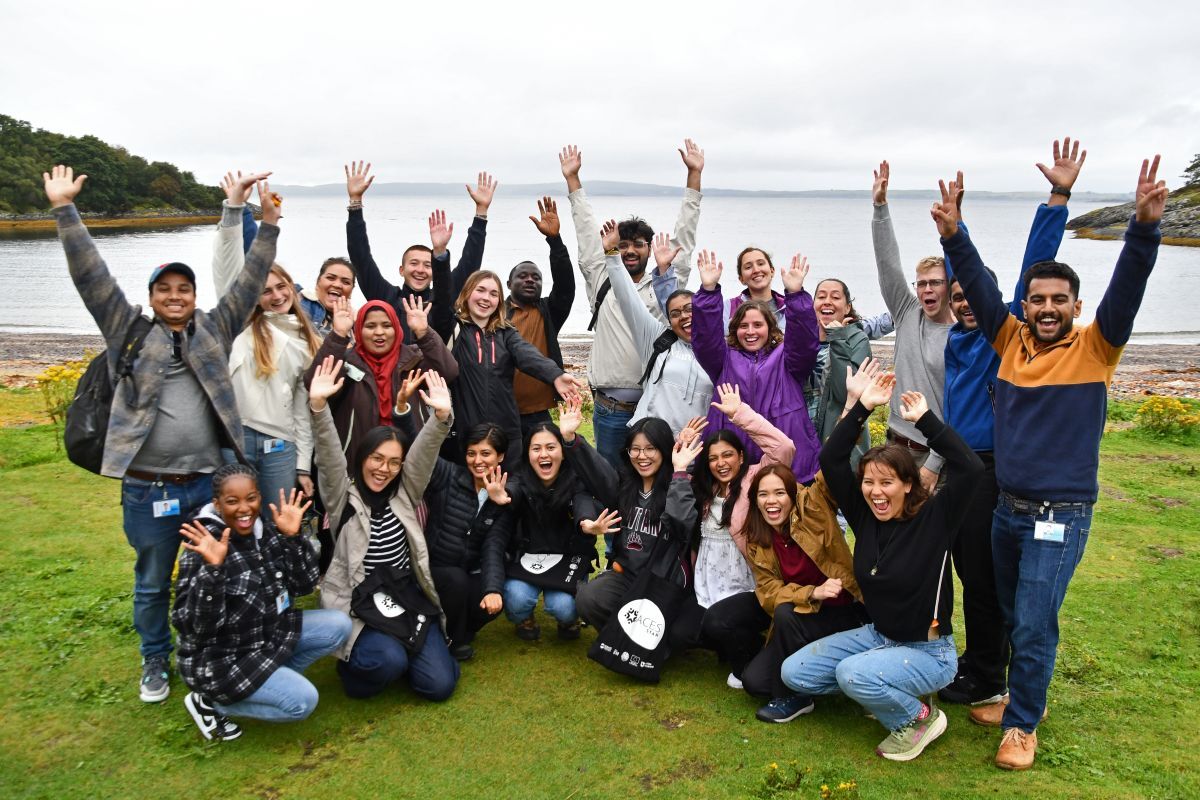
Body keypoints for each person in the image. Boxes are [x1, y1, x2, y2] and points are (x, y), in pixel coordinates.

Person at [931, 154, 1167, 770]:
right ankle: (1010, 693)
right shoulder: (1008, 342)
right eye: (1037, 298)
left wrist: (1144, 229)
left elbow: (1129, 289)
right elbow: (980, 288)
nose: (1046, 307)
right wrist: (953, 234)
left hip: (1059, 513)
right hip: (1007, 507)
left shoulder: (1097, 348)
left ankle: (1022, 726)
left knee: (1034, 621)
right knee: (1010, 612)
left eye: (1058, 299)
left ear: (1075, 305)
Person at [44, 165, 283, 702]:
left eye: (184, 288)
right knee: (153, 580)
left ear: (195, 295)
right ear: (151, 296)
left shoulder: (213, 329)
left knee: (216, 569)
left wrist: (265, 226)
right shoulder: (129, 332)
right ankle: (155, 660)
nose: (175, 296)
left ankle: (209, 645)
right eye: (164, 289)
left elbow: (248, 284)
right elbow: (92, 277)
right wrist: (65, 211)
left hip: (207, 486)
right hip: (149, 487)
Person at [936, 139, 1080, 710]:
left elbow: (1028, 272)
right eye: (957, 298)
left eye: (974, 297)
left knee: (986, 579)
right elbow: (959, 276)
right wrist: (952, 228)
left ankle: (989, 673)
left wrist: (1057, 197)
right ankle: (981, 665)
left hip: (992, 470)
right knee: (969, 572)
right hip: (959, 467)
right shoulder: (956, 338)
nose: (965, 303)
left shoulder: (1005, 339)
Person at [780, 367, 984, 762]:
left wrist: (925, 420)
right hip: (878, 637)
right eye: (868, 483)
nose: (876, 492)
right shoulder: (865, 516)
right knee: (795, 673)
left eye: (887, 482)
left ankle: (920, 717)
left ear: (908, 485)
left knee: (849, 674)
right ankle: (884, 684)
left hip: (929, 651)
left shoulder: (935, 519)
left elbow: (972, 468)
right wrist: (861, 408)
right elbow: (831, 457)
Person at [310, 358, 461, 701]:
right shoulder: (342, 497)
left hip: (403, 595)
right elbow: (329, 454)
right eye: (377, 458)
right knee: (386, 662)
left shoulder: (405, 492)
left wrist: (440, 418)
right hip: (358, 601)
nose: (384, 469)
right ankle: (357, 667)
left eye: (394, 462)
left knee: (439, 686)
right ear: (362, 458)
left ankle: (406, 651)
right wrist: (319, 407)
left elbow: (422, 456)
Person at [172, 467, 352, 741]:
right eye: (232, 501)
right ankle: (211, 703)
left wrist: (292, 538)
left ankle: (270, 680)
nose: (244, 509)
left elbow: (304, 586)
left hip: (268, 637)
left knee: (338, 625)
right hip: (224, 661)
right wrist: (213, 572)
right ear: (217, 504)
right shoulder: (203, 547)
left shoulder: (265, 532)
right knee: (301, 702)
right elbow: (196, 630)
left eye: (251, 498)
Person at [560, 141, 703, 470]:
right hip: (610, 410)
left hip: (658, 409)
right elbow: (585, 233)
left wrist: (693, 176)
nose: (630, 251)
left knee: (659, 484)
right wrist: (573, 181)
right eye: (622, 245)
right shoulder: (601, 278)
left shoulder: (667, 286)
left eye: (639, 244)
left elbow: (686, 234)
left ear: (650, 249)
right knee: (610, 484)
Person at [211, 171, 322, 505]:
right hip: (236, 440)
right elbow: (227, 265)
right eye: (265, 290)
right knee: (235, 523)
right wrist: (234, 209)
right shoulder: (241, 323)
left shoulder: (307, 338)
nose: (275, 296)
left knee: (280, 524)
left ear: (292, 287)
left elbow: (303, 411)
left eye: (281, 287)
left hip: (281, 447)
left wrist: (303, 466)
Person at [560, 398, 704, 651]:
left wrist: (680, 471)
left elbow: (683, 524)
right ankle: (624, 640)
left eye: (650, 449)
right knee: (588, 598)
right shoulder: (625, 484)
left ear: (664, 450)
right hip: (627, 576)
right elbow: (596, 473)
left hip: (664, 583)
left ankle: (652, 645)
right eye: (635, 449)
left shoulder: (679, 484)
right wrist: (572, 440)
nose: (642, 456)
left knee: (679, 635)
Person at [731, 462, 866, 723]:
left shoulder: (812, 508)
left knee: (786, 612)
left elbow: (832, 463)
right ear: (755, 500)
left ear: (793, 495)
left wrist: (849, 423)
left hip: (845, 614)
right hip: (807, 616)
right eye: (763, 494)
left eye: (780, 493)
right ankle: (821, 677)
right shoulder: (758, 541)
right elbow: (769, 593)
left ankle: (796, 697)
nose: (772, 501)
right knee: (755, 682)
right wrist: (812, 593)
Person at [691, 249, 822, 483]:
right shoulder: (723, 359)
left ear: (771, 329)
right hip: (733, 455)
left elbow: (805, 340)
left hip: (785, 459)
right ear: (734, 330)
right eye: (743, 326)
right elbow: (704, 338)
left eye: (757, 325)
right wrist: (708, 291)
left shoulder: (788, 359)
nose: (750, 332)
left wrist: (795, 294)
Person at [871, 160, 956, 492]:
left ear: (951, 287)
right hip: (895, 444)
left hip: (934, 456)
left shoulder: (962, 336)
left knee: (930, 540)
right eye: (921, 284)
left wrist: (934, 464)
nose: (926, 290)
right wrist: (880, 208)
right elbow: (887, 263)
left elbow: (957, 407)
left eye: (935, 283)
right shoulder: (908, 312)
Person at [344, 161, 497, 341]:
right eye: (414, 263)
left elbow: (470, 263)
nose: (420, 270)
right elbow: (361, 257)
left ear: (434, 272)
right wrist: (355, 203)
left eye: (427, 265)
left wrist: (481, 213)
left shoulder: (444, 297)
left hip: (435, 369)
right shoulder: (386, 297)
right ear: (401, 270)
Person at [486, 422, 612, 641]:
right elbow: (514, 489)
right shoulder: (521, 476)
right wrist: (504, 496)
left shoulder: (576, 479)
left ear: (563, 452)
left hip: (567, 558)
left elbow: (582, 502)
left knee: (563, 606)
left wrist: (587, 523)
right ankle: (524, 619)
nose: (544, 454)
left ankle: (568, 621)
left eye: (551, 447)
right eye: (536, 449)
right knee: (516, 599)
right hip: (527, 557)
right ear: (527, 453)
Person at [303, 295, 458, 461]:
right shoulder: (347, 362)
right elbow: (314, 384)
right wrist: (339, 334)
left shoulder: (413, 359)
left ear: (397, 328)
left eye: (387, 325)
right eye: (370, 326)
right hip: (358, 464)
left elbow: (448, 371)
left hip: (410, 462)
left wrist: (423, 332)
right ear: (359, 330)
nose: (379, 332)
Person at [445, 270, 580, 459]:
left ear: (499, 301)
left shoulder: (506, 332)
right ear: (467, 292)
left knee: (509, 486)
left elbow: (527, 354)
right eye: (480, 290)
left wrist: (555, 374)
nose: (486, 298)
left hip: (507, 435)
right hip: (468, 435)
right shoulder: (454, 329)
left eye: (493, 294)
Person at [601, 223, 714, 435]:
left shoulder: (718, 352)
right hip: (649, 446)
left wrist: (710, 289)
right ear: (669, 320)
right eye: (675, 314)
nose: (684, 317)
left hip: (694, 450)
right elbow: (628, 298)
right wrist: (612, 254)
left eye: (690, 309)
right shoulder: (658, 339)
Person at [420, 422, 513, 660]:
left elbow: (494, 546)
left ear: (500, 456)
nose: (477, 461)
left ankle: (459, 629)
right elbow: (423, 448)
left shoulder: (502, 495)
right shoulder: (449, 475)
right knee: (456, 580)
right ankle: (453, 639)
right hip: (433, 569)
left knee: (494, 594)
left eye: (485, 453)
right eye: (471, 453)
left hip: (467, 569)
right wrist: (404, 411)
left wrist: (493, 590)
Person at [223, 171, 354, 338]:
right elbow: (261, 262)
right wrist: (240, 208)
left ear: (351, 290)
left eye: (346, 281)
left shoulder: (355, 323)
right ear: (317, 282)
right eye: (331, 277)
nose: (337, 284)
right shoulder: (295, 299)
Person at [505, 197, 576, 440]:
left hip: (538, 414)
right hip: (501, 411)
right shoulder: (495, 315)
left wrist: (555, 241)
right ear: (508, 284)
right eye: (523, 276)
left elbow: (565, 286)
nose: (530, 280)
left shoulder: (548, 312)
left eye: (536, 278)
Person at [808, 278, 891, 466]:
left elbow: (844, 393)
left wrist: (837, 338)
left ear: (847, 307)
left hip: (839, 433)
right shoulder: (804, 339)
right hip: (805, 437)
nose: (827, 301)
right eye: (821, 296)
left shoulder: (857, 340)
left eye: (835, 297)